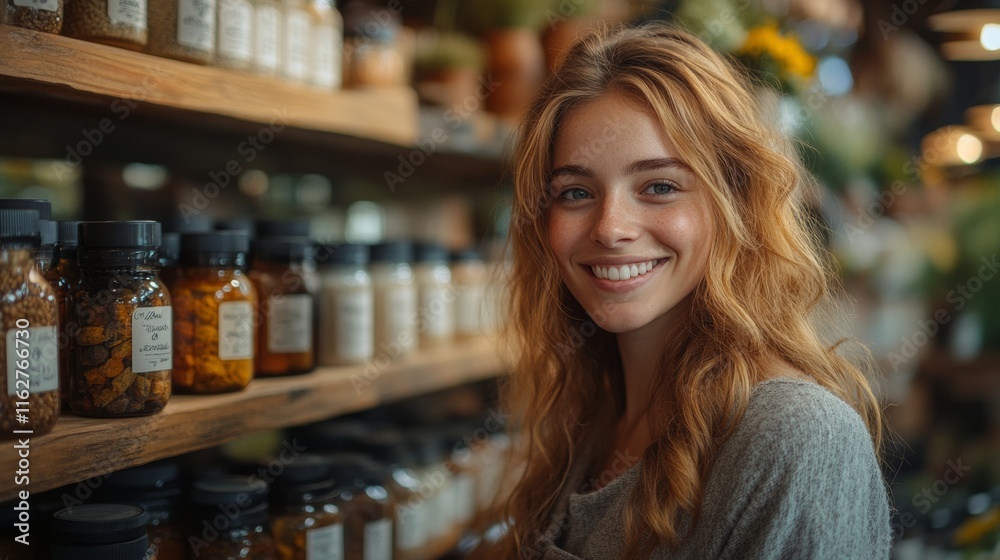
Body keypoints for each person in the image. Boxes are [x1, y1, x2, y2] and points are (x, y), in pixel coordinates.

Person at [477, 22, 892, 559]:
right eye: (575, 192)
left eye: (659, 187)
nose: (610, 227)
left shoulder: (800, 436)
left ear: (735, 203)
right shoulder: (593, 411)